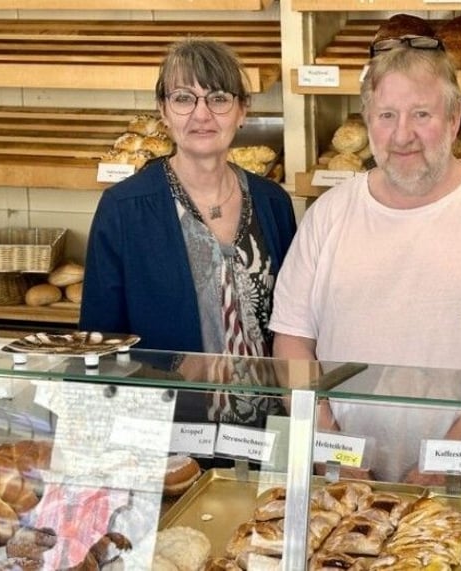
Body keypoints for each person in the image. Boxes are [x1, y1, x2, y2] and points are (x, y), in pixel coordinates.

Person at [269, 39, 461, 483]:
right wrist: (331, 449)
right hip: (344, 489)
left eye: (421, 115)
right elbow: (292, 343)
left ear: (454, 118)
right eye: (387, 115)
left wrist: (447, 459)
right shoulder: (328, 214)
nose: (402, 134)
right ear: (368, 121)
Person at [81, 38, 296, 428]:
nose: (202, 114)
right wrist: (174, 363)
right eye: (184, 98)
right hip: (174, 433)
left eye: (218, 98)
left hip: (268, 433)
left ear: (242, 110)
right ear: (163, 111)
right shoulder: (125, 209)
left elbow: (294, 323)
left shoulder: (273, 203)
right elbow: (98, 345)